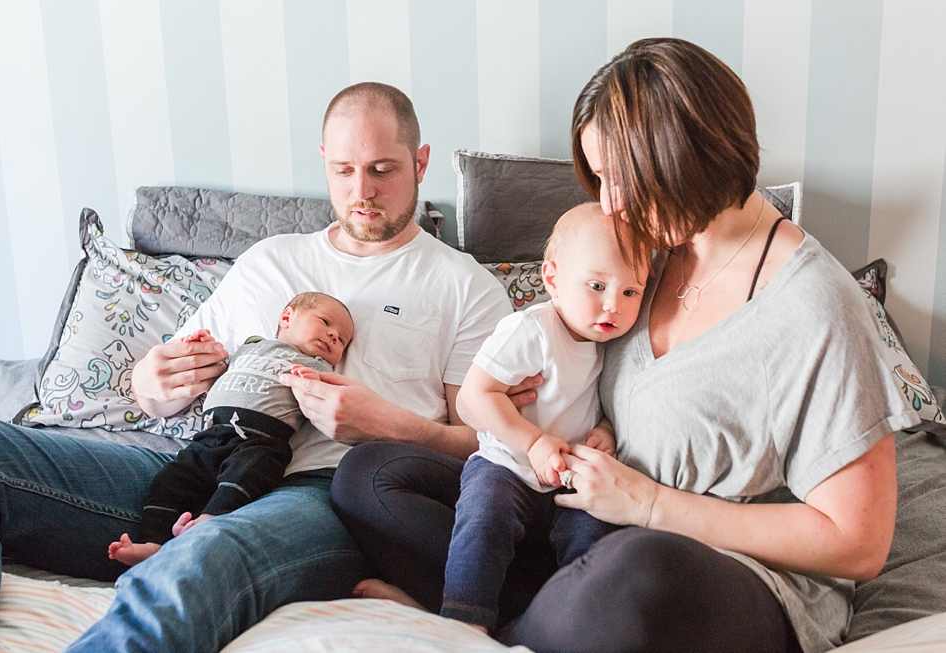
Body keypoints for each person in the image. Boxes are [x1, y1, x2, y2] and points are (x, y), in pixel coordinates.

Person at [331, 39, 919, 653]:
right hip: (583, 523)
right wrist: (532, 401)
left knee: (635, 577)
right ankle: (508, 614)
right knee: (369, 477)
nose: (608, 203)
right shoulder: (646, 259)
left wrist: (649, 504)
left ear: (685, 154)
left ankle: (478, 631)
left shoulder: (814, 306)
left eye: (618, 177)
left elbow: (858, 542)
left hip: (710, 569)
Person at [0, 81, 521, 653]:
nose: (362, 191)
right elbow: (164, 394)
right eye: (343, 170)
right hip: (199, 464)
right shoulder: (271, 260)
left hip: (322, 496)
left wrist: (387, 425)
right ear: (324, 163)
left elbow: (494, 447)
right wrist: (148, 382)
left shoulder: (465, 288)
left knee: (195, 564)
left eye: (382, 169)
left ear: (421, 161)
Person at [437, 202, 645, 633]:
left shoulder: (613, 346)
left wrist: (604, 430)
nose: (613, 307)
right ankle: (464, 622)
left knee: (595, 537)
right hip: (506, 466)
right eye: (596, 286)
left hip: (567, 478)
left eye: (630, 292)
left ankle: (569, 623)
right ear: (552, 279)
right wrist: (532, 442)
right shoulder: (530, 330)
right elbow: (474, 398)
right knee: (483, 519)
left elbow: (604, 405)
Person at [108, 291, 354, 566]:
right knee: (171, 479)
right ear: (287, 317)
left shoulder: (316, 366)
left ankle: (210, 519)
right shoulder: (250, 346)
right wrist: (201, 346)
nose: (334, 336)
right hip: (211, 435)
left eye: (342, 340)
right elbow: (214, 365)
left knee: (253, 469)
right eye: (325, 322)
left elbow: (328, 401)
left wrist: (315, 383)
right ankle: (153, 541)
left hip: (260, 438)